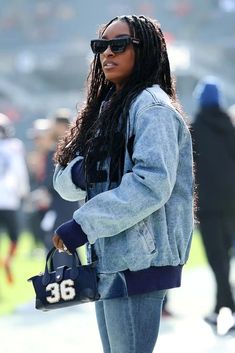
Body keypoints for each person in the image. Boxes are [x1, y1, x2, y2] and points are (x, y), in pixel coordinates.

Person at [52, 15, 194, 353]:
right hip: (109, 257)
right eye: (100, 47)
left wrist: (83, 225)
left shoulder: (153, 109)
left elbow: (151, 184)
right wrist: (84, 172)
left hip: (140, 260)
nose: (106, 54)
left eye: (119, 45)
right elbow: (63, 178)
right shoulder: (105, 108)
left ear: (145, 51)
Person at [191, 77, 235, 329]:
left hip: (206, 206)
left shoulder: (194, 130)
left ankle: (228, 304)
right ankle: (221, 305)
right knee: (226, 257)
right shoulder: (230, 128)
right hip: (232, 205)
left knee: (216, 258)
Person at [0, 113, 30, 283]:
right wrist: (24, 192)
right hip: (9, 199)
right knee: (14, 237)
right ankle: (7, 261)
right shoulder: (14, 146)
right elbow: (20, 171)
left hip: (8, 197)